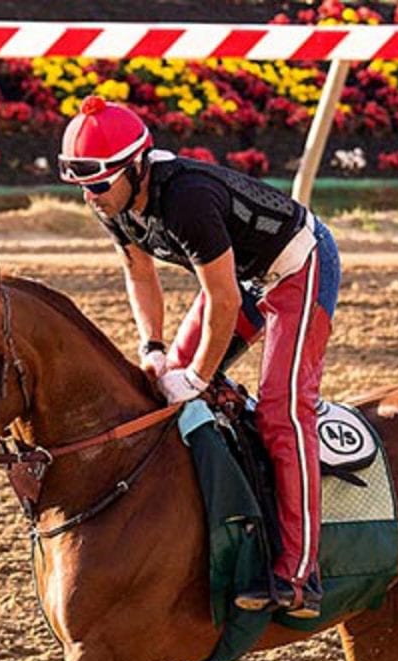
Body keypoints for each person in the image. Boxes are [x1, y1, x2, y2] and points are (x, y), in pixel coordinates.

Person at [58, 95, 341, 619]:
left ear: (136, 167)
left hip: (298, 268)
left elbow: (226, 301)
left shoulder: (186, 199)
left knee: (282, 410)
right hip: (241, 279)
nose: (92, 198)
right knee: (157, 395)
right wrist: (154, 347)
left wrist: (201, 376)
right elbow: (139, 272)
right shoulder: (115, 203)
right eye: (81, 187)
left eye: (98, 185)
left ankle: (300, 573)